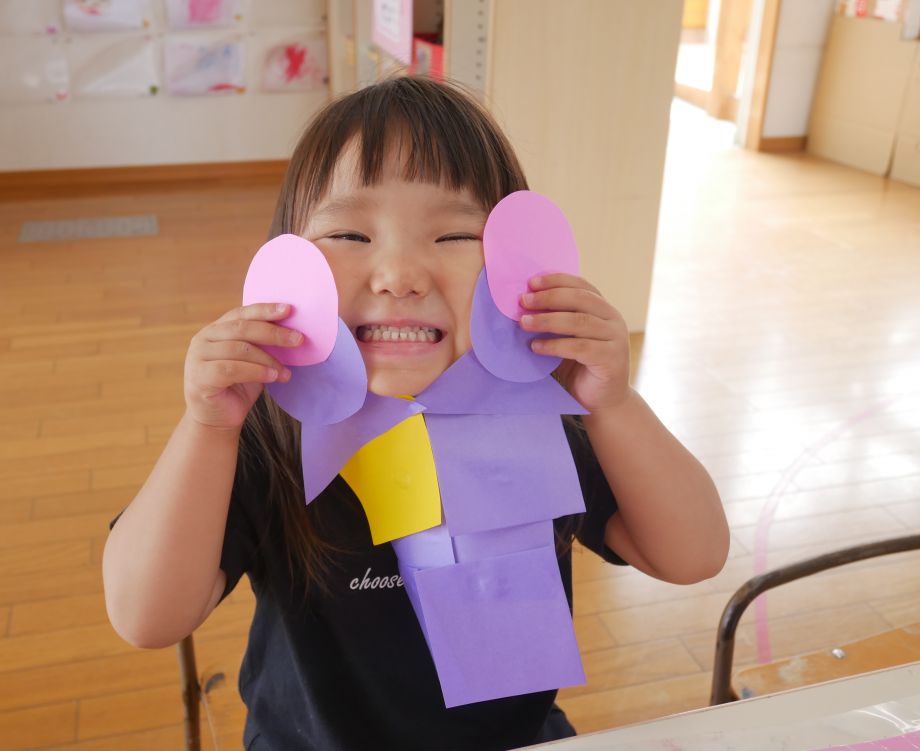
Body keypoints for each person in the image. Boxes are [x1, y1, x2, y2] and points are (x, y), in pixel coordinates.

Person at [103, 76, 729, 751]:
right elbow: (146, 615)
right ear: (286, 266)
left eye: (456, 234)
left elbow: (693, 555)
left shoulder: (541, 421)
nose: (400, 273)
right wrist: (207, 428)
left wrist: (613, 404)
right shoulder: (269, 434)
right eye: (349, 232)